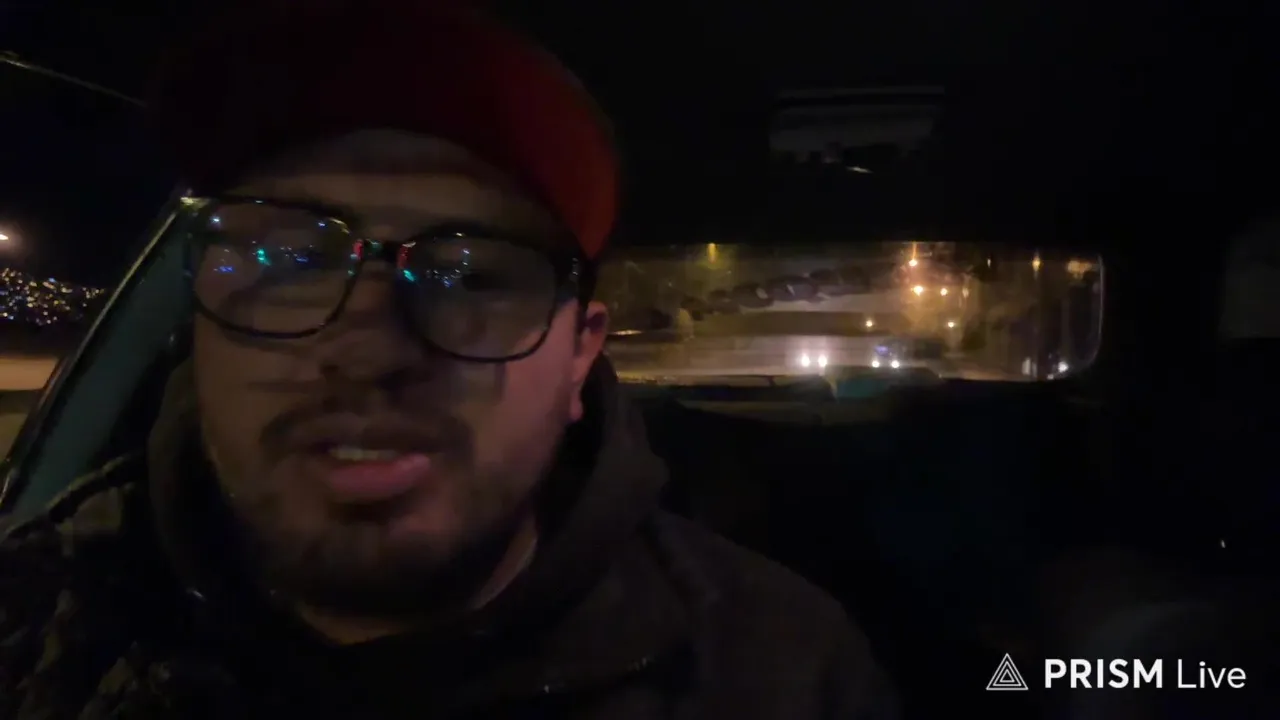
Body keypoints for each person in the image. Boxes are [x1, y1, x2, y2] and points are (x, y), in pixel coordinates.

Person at [0, 1, 897, 718]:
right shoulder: (35, 629)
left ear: (579, 360)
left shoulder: (775, 672)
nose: (367, 348)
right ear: (196, 327)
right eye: (291, 261)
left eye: (470, 277)